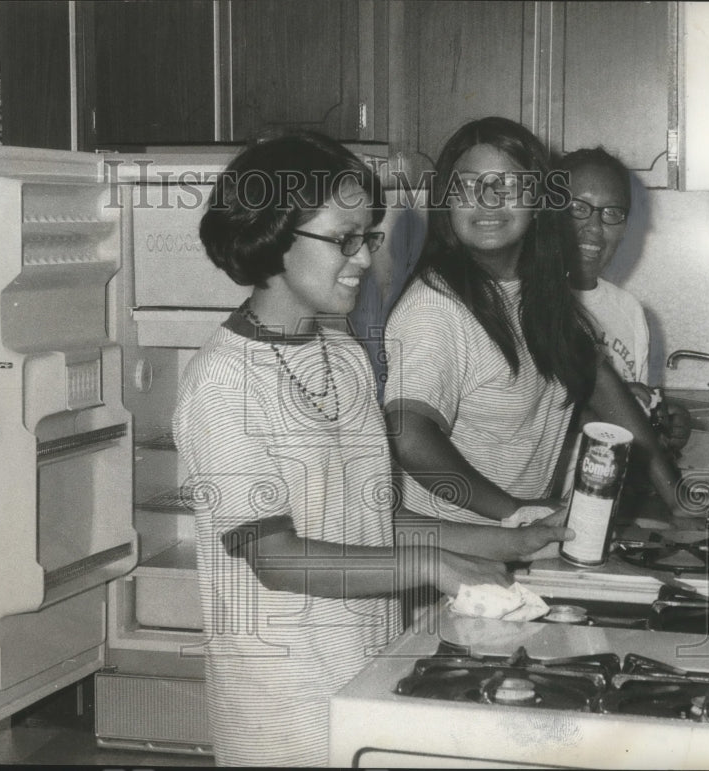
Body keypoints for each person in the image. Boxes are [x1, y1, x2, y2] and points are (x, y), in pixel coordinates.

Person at [172, 131, 569, 766]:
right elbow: (276, 557)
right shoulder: (224, 382)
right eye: (342, 239)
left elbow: (370, 516)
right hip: (284, 701)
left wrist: (510, 537)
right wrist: (436, 567)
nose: (362, 257)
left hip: (372, 669)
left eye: (368, 237)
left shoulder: (345, 355)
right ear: (273, 233)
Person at [383, 117, 685, 528]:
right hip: (455, 559)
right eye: (470, 184)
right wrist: (518, 513)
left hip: (517, 548)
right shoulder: (435, 307)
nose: (489, 200)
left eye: (509, 184)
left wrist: (678, 496)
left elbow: (599, 383)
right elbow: (409, 435)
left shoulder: (534, 287)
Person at [559, 147, 690, 452]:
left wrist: (662, 421)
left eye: (612, 213)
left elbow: (638, 419)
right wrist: (613, 408)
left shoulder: (629, 311)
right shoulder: (520, 305)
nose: (594, 228)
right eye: (577, 208)